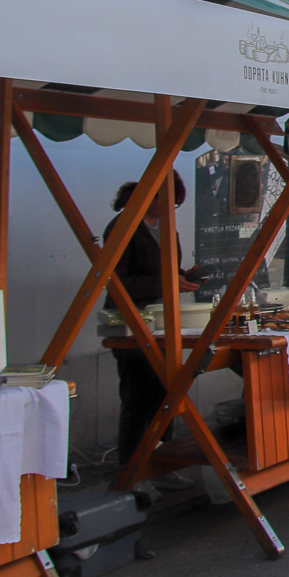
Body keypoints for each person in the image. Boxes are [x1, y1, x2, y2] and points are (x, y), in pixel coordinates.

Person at [104, 173, 200, 487]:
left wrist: (186, 276)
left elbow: (168, 271)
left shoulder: (166, 228)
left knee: (165, 392)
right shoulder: (123, 226)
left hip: (163, 320)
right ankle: (131, 470)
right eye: (170, 202)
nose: (172, 209)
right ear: (152, 196)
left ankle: (163, 465)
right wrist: (168, 282)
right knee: (137, 395)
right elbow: (116, 280)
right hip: (130, 322)